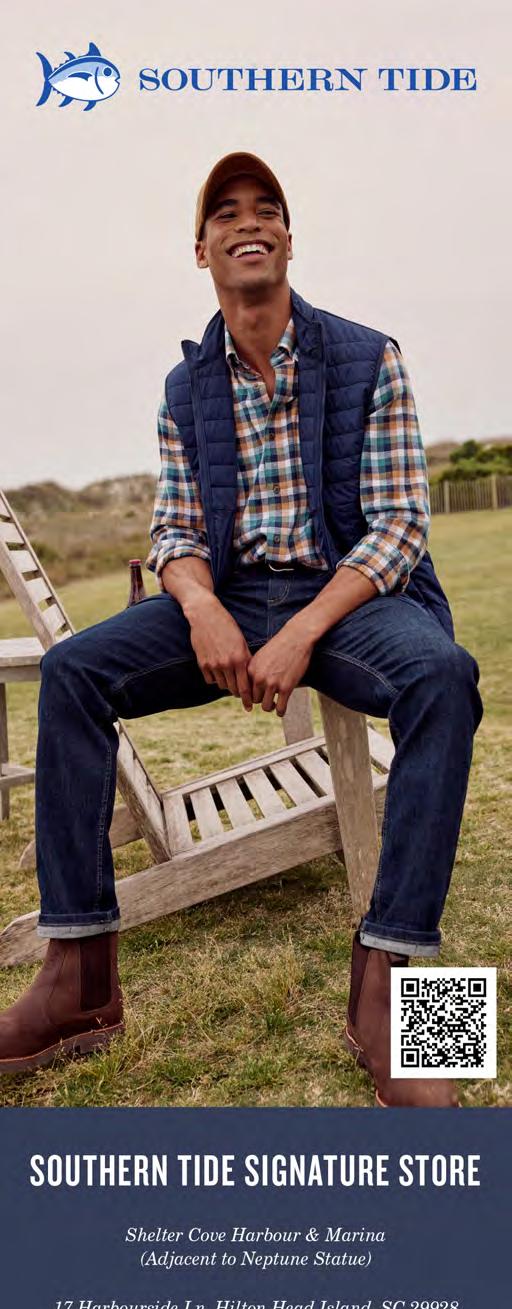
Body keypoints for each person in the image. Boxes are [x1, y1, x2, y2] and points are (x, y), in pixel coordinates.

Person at [0, 152, 482, 1104]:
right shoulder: (185, 388)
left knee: (446, 677)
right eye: (225, 212)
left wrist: (302, 632)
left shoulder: (371, 355)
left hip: (353, 597)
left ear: (290, 240)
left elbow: (398, 526)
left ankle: (395, 985)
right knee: (73, 673)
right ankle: (79, 983)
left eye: (267, 209)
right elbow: (175, 534)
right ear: (202, 250)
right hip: (231, 596)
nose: (247, 221)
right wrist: (203, 604)